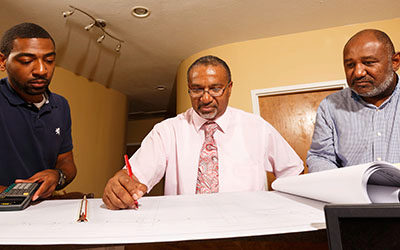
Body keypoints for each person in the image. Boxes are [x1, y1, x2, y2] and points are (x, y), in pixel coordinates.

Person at [103, 55, 303, 210]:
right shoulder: (167, 131)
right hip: (186, 235)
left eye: (216, 89)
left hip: (246, 234)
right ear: (188, 89)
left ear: (230, 88)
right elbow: (134, 177)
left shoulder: (257, 128)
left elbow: (294, 174)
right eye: (197, 89)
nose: (206, 98)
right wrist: (120, 186)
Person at [0, 23, 77, 200]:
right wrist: (14, 196)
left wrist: (57, 176)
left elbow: (67, 163)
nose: (42, 70)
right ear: (3, 61)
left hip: (42, 212)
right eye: (27, 61)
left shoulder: (61, 106)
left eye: (49, 60)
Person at [307, 29, 400, 172]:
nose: (358, 72)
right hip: (349, 193)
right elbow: (320, 157)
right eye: (350, 65)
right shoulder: (330, 106)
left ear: (395, 62)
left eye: (368, 62)